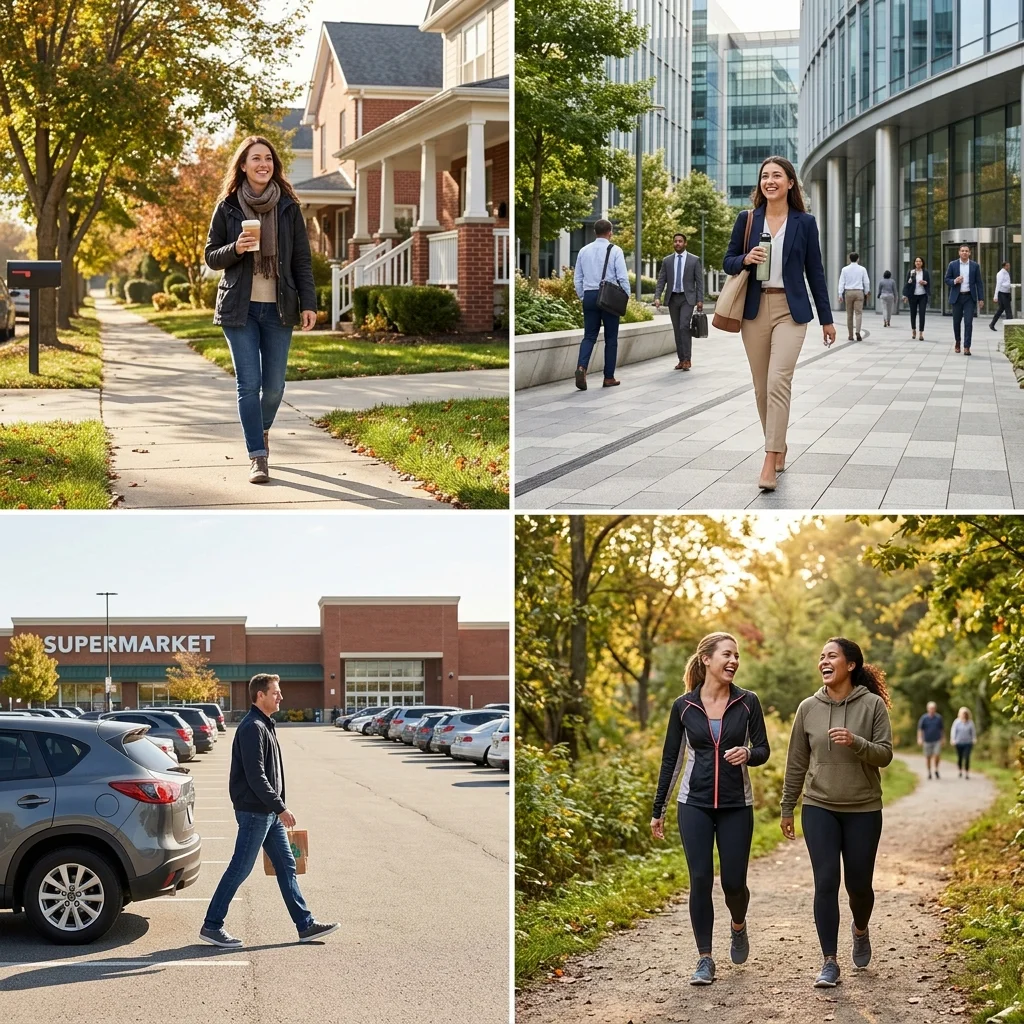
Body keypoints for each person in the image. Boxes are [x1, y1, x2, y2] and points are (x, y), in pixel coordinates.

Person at [650, 632, 770, 987]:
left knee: (734, 883)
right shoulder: (684, 706)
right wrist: (659, 809)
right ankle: (704, 958)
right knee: (700, 879)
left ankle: (738, 925)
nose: (733, 661)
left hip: (736, 804)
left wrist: (748, 754)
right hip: (695, 803)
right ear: (706, 659)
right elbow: (671, 760)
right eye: (726, 655)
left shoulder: (748, 702)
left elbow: (763, 749)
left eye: (737, 656)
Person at [780, 637, 893, 990]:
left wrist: (856, 742)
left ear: (851, 665)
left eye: (832, 656)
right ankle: (829, 961)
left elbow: (885, 754)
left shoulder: (872, 705)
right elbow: (797, 761)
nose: (824, 661)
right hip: (819, 805)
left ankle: (860, 930)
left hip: (863, 807)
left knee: (859, 885)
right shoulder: (807, 708)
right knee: (826, 881)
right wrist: (787, 806)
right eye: (821, 656)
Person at [205, 136, 317, 485]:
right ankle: (257, 455)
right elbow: (211, 256)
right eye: (255, 158)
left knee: (274, 388)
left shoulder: (288, 207)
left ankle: (261, 428)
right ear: (242, 165)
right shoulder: (227, 207)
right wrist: (236, 247)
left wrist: (309, 303)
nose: (263, 164)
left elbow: (301, 260)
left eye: (268, 158)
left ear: (274, 165)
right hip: (240, 309)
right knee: (248, 384)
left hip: (279, 308)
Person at [722, 155, 835, 493]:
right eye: (764, 176)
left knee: (777, 383)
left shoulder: (805, 222)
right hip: (754, 310)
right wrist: (745, 258)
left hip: (791, 309)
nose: (769, 181)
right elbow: (728, 261)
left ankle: (770, 458)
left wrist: (827, 319)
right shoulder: (747, 220)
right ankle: (779, 443)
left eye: (776, 176)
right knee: (760, 388)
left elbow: (815, 271)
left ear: (789, 183)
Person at [200, 673, 337, 948]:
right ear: (260, 695)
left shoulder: (264, 724)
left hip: (267, 813)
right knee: (240, 868)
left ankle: (305, 925)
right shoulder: (253, 727)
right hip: (255, 812)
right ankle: (212, 926)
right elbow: (256, 776)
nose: (281, 697)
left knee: (287, 866)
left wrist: (276, 809)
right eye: (276, 692)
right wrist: (281, 807)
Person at [573, 219, 630, 391]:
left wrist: (584, 296)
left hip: (590, 296)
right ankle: (608, 377)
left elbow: (577, 279)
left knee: (589, 336)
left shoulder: (583, 250)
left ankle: (582, 367)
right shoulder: (615, 250)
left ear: (594, 232)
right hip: (609, 297)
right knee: (611, 338)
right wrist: (625, 296)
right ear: (610, 232)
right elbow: (622, 278)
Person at [654, 232, 705, 370]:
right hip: (672, 299)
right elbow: (661, 280)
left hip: (687, 298)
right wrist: (657, 296)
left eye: (680, 241)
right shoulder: (667, 261)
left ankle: (687, 359)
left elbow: (699, 282)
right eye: (675, 241)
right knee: (677, 329)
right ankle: (681, 359)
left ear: (685, 243)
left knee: (684, 326)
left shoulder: (694, 260)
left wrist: (700, 300)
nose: (677, 243)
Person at [944, 244, 985, 354]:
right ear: (959, 252)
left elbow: (979, 283)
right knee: (956, 322)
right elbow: (947, 279)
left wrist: (981, 298)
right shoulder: (953, 265)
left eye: (966, 251)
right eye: (962, 251)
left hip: (969, 298)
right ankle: (958, 341)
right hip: (957, 298)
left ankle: (967, 346)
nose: (964, 253)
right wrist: (955, 281)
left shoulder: (975, 266)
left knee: (968, 322)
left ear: (970, 253)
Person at [838, 252, 870, 341]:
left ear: (849, 259)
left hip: (848, 292)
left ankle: (850, 335)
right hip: (859, 292)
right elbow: (866, 281)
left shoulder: (844, 269)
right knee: (858, 313)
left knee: (849, 314)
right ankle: (858, 331)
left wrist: (840, 294)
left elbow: (841, 282)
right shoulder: (862, 269)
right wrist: (867, 291)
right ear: (858, 259)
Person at [902, 256, 931, 340]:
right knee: (913, 314)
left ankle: (921, 333)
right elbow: (907, 284)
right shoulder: (911, 272)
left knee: (922, 314)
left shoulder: (925, 272)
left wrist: (925, 282)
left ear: (922, 263)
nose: (918, 263)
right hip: (913, 295)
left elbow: (928, 283)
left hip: (923, 295)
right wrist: (905, 295)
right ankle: (913, 330)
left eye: (920, 261)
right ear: (914, 263)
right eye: (916, 261)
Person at [917, 700, 944, 779]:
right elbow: (920, 729)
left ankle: (936, 769)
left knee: (937, 755)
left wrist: (943, 739)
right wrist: (919, 738)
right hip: (927, 740)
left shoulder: (938, 718)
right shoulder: (924, 718)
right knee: (928, 757)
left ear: (935, 709)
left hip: (937, 740)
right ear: (928, 709)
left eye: (933, 708)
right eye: (930, 708)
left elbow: (942, 729)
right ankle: (929, 771)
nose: (932, 709)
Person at [950, 707, 976, 779]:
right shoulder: (957, 722)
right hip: (959, 742)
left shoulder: (970, 722)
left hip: (968, 742)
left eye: (965, 714)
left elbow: (973, 732)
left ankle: (967, 773)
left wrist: (974, 739)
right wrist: (953, 739)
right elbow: (953, 731)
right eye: (963, 714)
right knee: (960, 757)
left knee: (967, 757)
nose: (964, 715)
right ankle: (960, 770)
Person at [990, 261, 1013, 330]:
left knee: (1000, 310)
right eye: (1007, 265)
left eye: (1009, 265)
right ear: (1004, 266)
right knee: (1008, 310)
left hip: (1007, 293)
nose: (1009, 267)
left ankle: (992, 324)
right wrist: (995, 296)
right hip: (1002, 293)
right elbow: (998, 285)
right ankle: (1010, 327)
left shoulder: (1006, 273)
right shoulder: (1000, 274)